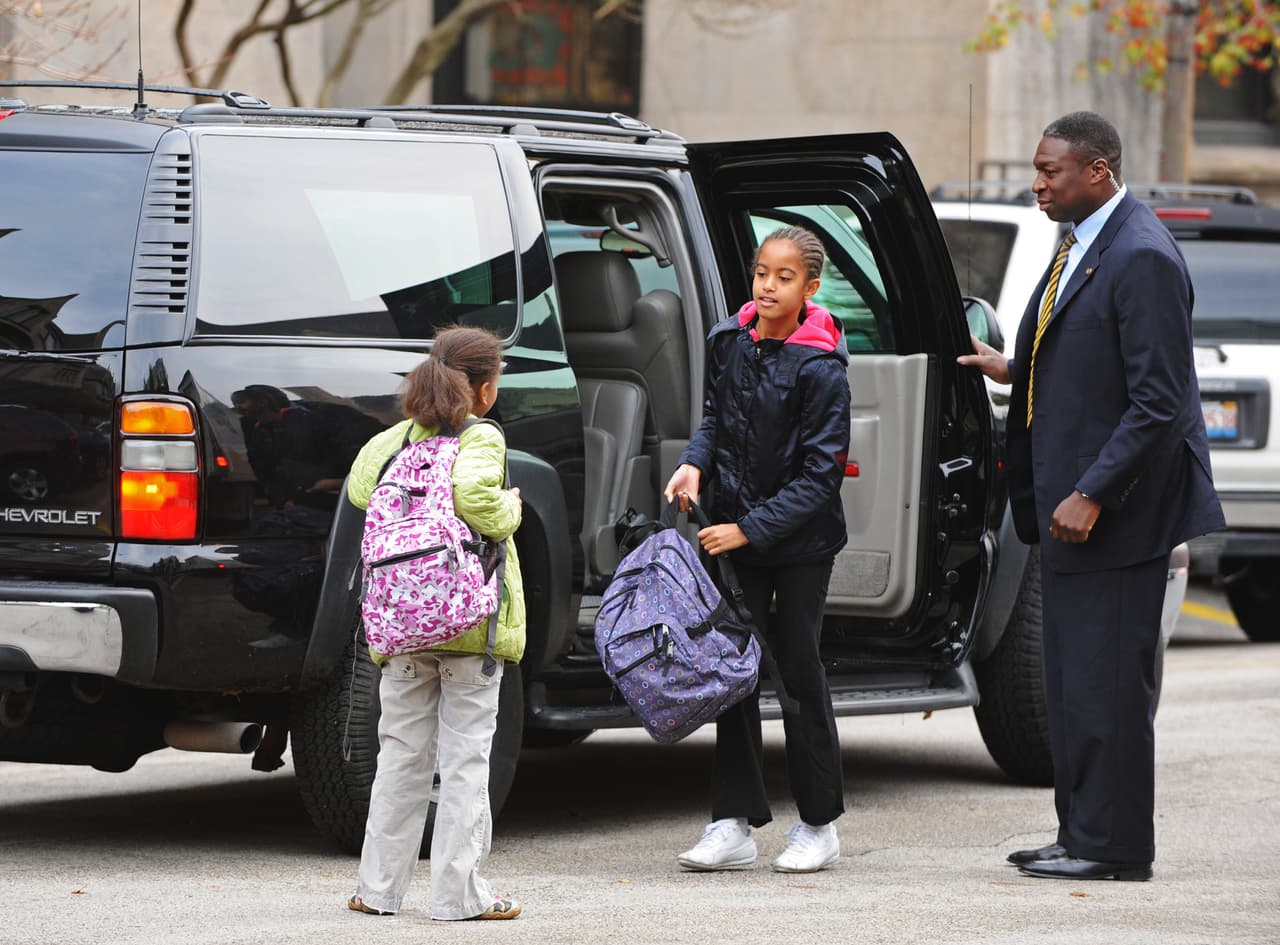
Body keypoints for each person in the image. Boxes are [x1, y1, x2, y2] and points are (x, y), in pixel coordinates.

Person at [958, 111, 1224, 881]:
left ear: (1098, 171)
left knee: (1109, 689)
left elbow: (1161, 401)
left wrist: (1093, 492)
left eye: (1051, 171)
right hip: (1073, 518)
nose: (1036, 183)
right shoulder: (1081, 240)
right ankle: (1077, 832)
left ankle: (1113, 847)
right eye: (1038, 171)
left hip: (1120, 518)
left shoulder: (1141, 253)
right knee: (1073, 685)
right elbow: (1086, 352)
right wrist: (1010, 370)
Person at [663, 225, 852, 873]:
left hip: (799, 543)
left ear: (811, 287)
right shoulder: (730, 341)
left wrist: (747, 530)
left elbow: (820, 477)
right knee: (732, 671)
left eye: (785, 277)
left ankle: (819, 823)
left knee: (797, 670)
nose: (769, 286)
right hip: (733, 531)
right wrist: (693, 464)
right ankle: (732, 822)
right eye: (761, 273)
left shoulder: (822, 368)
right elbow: (715, 417)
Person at [345, 326, 526, 919]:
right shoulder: (482, 437)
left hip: (400, 626)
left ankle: (376, 891)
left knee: (400, 757)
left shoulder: (394, 440)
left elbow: (358, 490)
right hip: (467, 625)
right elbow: (476, 499)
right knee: (465, 762)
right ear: (484, 388)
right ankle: (459, 896)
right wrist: (511, 511)